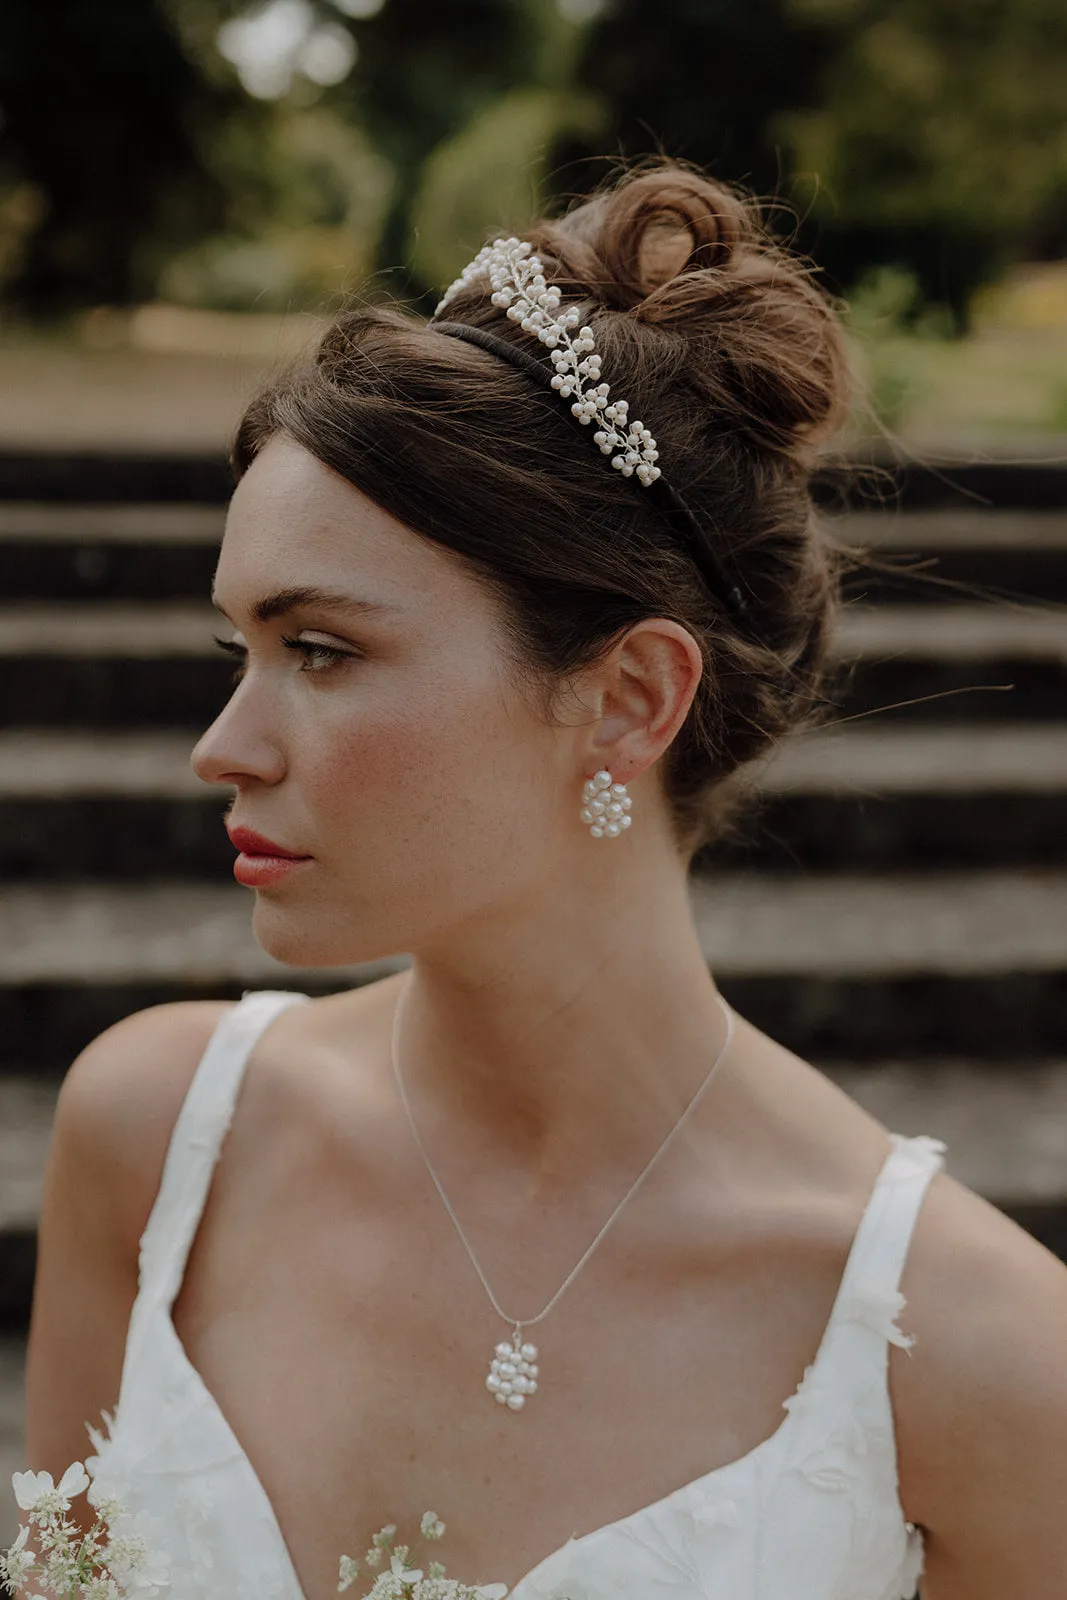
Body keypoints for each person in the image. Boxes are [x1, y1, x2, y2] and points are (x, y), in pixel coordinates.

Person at [20, 159, 1067, 1600]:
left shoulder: (982, 1358)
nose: (223, 748)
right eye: (238, 653)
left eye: (321, 651)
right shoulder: (153, 1143)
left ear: (630, 696)